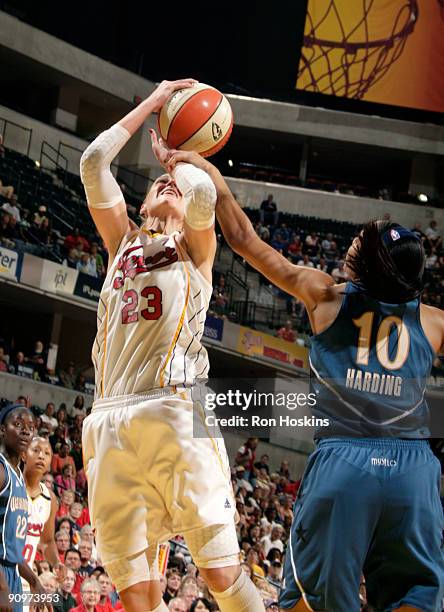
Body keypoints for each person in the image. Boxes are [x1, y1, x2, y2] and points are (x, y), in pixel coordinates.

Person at [165, 147, 444, 611]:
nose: (352, 242)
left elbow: (243, 239)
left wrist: (210, 172)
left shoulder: (326, 297)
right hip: (413, 471)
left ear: (369, 264)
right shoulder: (433, 322)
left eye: (360, 241)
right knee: (415, 594)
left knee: (311, 601)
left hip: (346, 461)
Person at [80, 78, 265, 612]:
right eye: (160, 183)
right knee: (137, 594)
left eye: (175, 187)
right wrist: (156, 105)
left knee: (222, 574)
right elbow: (95, 161)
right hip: (107, 418)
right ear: (140, 203)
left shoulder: (195, 249)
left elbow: (204, 194)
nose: (169, 187)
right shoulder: (122, 243)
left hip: (176, 405)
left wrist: (177, 158)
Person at [0, 404, 45, 609]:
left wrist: (35, 581)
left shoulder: (17, 474)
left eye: (31, 426)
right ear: (2, 430)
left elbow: (12, 548)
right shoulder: (1, 470)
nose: (26, 430)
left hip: (13, 574)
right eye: (18, 424)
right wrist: (1, 587)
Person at [22, 437, 67, 590]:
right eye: (36, 450)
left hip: (25, 579)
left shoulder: (50, 498)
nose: (41, 455)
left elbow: (47, 541)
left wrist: (56, 563)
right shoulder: (9, 485)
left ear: (49, 464)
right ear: (23, 454)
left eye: (47, 453)